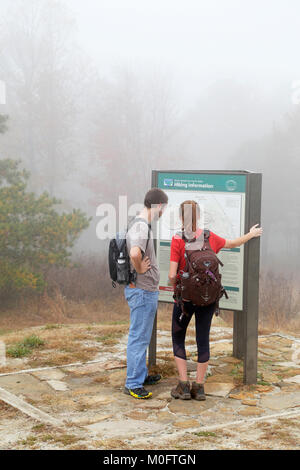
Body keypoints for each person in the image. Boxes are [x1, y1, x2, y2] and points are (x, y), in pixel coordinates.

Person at [168, 200, 263, 400]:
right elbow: (233, 243)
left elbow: (171, 274)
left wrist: (176, 283)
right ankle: (199, 387)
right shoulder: (209, 237)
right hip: (208, 298)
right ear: (199, 216)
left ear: (180, 217)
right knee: (203, 340)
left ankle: (184, 385)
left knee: (178, 337)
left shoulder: (177, 239)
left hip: (185, 300)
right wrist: (251, 234)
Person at [124, 188, 168, 399]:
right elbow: (134, 253)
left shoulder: (137, 222)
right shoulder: (142, 227)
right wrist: (140, 268)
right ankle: (133, 383)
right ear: (159, 206)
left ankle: (139, 375)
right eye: (164, 209)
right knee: (139, 338)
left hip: (141, 291)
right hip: (142, 291)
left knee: (141, 336)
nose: (164, 213)